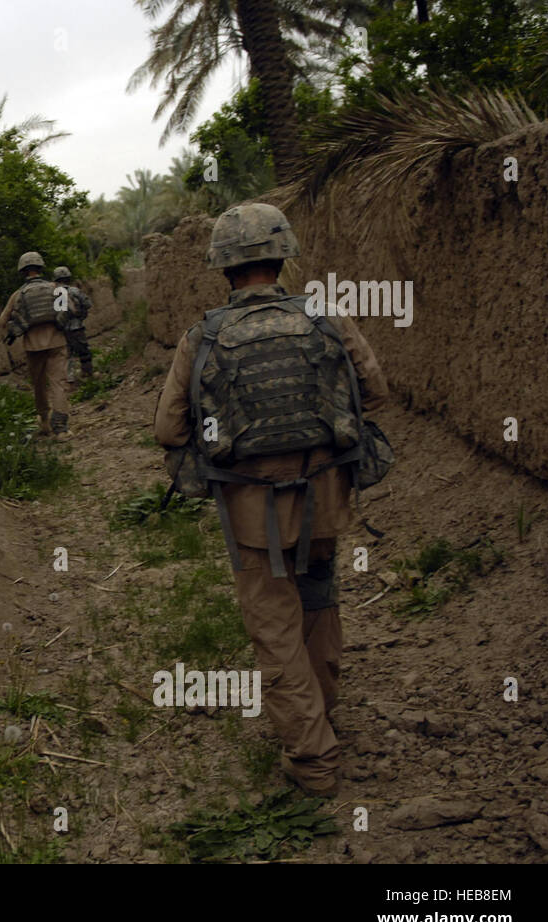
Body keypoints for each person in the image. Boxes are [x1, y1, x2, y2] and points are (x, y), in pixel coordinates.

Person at [153, 203, 389, 797]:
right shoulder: (327, 320)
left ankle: (312, 758)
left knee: (273, 622)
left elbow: (169, 430)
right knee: (318, 597)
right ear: (282, 256)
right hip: (327, 493)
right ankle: (321, 710)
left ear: (223, 268)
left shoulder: (202, 337)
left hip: (250, 506)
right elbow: (375, 394)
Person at [0, 251, 71, 438]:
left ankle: (45, 422)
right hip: (57, 341)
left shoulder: (18, 295)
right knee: (59, 383)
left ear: (23, 271)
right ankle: (61, 427)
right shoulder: (57, 288)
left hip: (33, 346)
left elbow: (2, 321)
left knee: (39, 385)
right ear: (41, 268)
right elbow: (69, 310)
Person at [52, 266, 94, 383]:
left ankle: (69, 378)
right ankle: (87, 374)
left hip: (62, 329)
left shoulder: (54, 293)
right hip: (77, 328)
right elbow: (88, 304)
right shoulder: (75, 291)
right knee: (83, 351)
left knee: (67, 354)